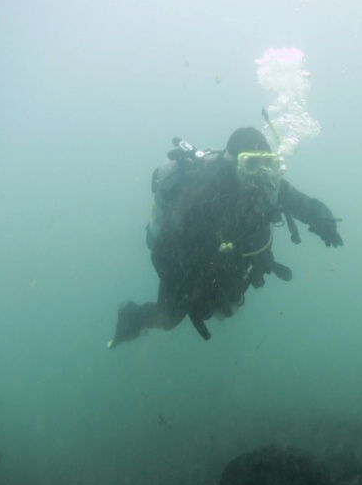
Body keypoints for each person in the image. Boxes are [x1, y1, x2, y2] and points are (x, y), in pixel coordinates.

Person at [108, 125, 342, 348]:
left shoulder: (267, 185)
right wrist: (189, 291)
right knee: (168, 319)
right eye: (251, 164)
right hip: (186, 269)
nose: (260, 174)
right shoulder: (200, 191)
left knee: (226, 309)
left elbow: (305, 204)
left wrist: (324, 218)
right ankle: (130, 316)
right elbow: (162, 249)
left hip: (229, 264)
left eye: (267, 163)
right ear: (233, 163)